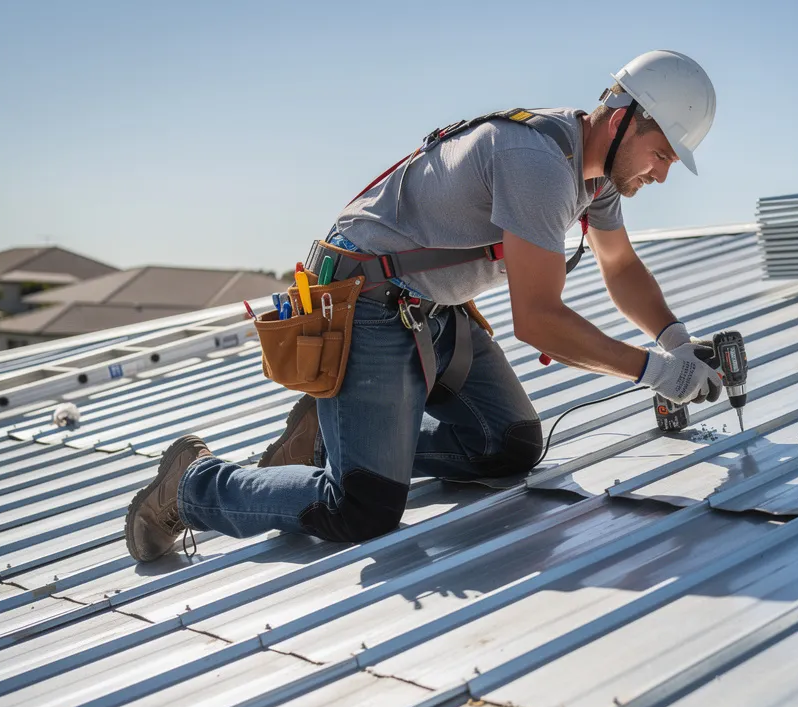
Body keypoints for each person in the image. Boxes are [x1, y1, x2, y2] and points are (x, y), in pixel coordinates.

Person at [125, 50, 721, 562]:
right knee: (361, 509)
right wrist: (656, 373)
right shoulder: (537, 163)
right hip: (368, 305)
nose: (662, 175)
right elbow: (538, 320)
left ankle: (338, 437)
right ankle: (191, 484)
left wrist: (675, 341)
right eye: (662, 153)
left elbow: (620, 267)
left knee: (508, 443)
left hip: (432, 311)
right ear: (621, 119)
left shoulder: (596, 179)